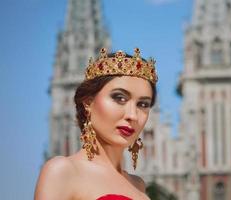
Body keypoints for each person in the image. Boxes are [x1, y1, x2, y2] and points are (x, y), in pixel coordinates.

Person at [34, 48, 158, 200]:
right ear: (88, 103)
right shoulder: (63, 171)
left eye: (143, 104)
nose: (132, 115)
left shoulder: (138, 185)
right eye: (119, 98)